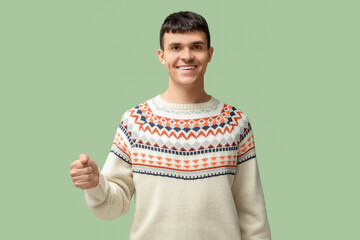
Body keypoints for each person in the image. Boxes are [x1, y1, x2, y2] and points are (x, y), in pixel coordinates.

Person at [70, 11, 271, 240]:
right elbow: (113, 206)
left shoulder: (235, 122)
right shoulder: (136, 121)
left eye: (196, 47)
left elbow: (252, 215)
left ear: (210, 53)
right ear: (161, 55)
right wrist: (96, 184)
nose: (186, 56)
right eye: (176, 47)